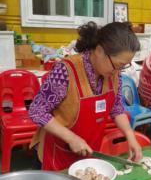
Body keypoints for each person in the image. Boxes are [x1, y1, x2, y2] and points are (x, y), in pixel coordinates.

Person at [29, 21, 143, 171]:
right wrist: (71, 138)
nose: (119, 71)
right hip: (57, 154)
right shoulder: (66, 71)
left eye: (124, 66)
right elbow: (36, 111)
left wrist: (130, 135)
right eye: (118, 64)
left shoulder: (114, 73)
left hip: (89, 151)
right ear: (99, 50)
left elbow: (117, 108)